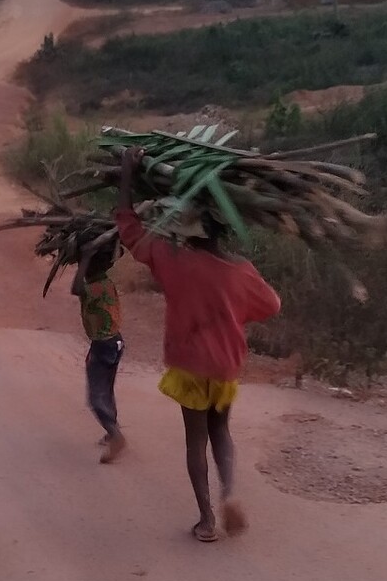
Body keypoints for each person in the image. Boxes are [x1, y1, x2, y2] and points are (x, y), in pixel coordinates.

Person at [116, 148, 280, 542]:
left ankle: (207, 520)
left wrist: (126, 173)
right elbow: (272, 305)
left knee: (196, 440)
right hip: (225, 366)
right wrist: (235, 313)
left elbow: (128, 228)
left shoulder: (172, 260)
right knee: (221, 431)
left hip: (189, 365)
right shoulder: (241, 270)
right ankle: (231, 493)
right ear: (223, 228)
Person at [71, 239, 127, 463]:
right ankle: (111, 430)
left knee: (96, 396)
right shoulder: (106, 282)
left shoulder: (93, 287)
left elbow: (75, 289)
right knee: (107, 389)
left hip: (102, 345)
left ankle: (115, 435)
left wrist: (84, 257)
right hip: (116, 342)